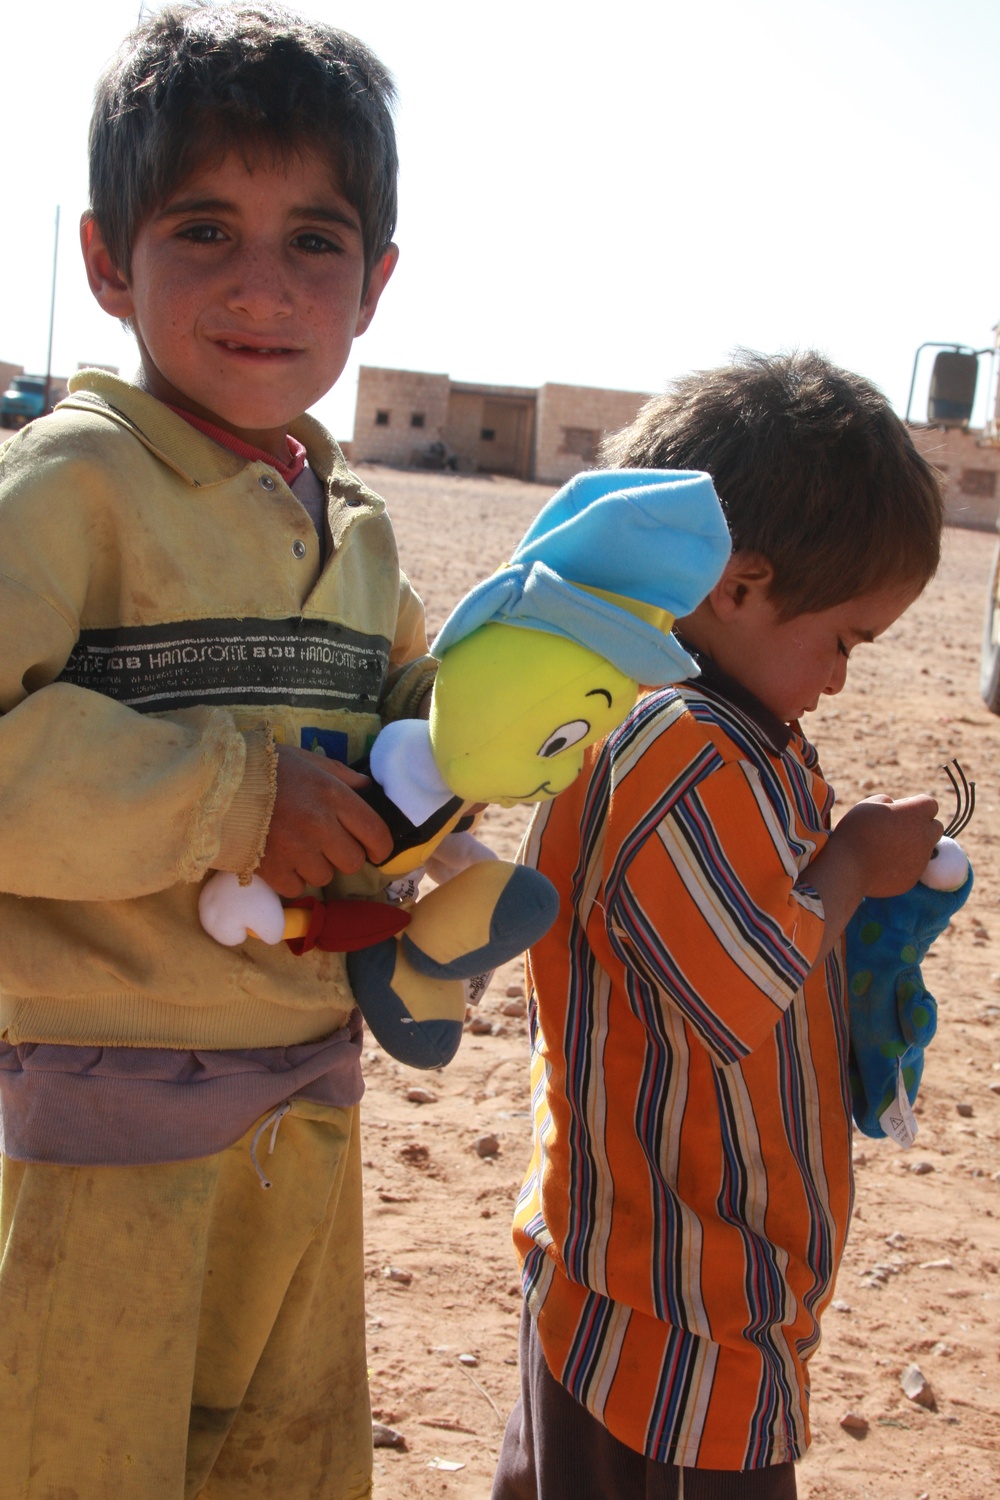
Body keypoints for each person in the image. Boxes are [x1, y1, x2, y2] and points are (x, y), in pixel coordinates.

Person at [0, 5, 432, 1496]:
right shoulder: (70, 489)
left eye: (315, 240)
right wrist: (236, 797)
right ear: (109, 260)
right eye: (203, 229)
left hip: (304, 1106)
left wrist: (444, 833)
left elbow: (420, 739)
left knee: (287, 1465)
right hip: (92, 1121)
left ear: (374, 283)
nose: (265, 285)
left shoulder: (357, 532)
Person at [492, 351, 945, 1500]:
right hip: (670, 1306)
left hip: (686, 1285)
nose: (840, 680)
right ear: (736, 585)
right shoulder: (677, 751)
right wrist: (850, 860)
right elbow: (744, 991)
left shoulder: (726, 738)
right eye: (842, 639)